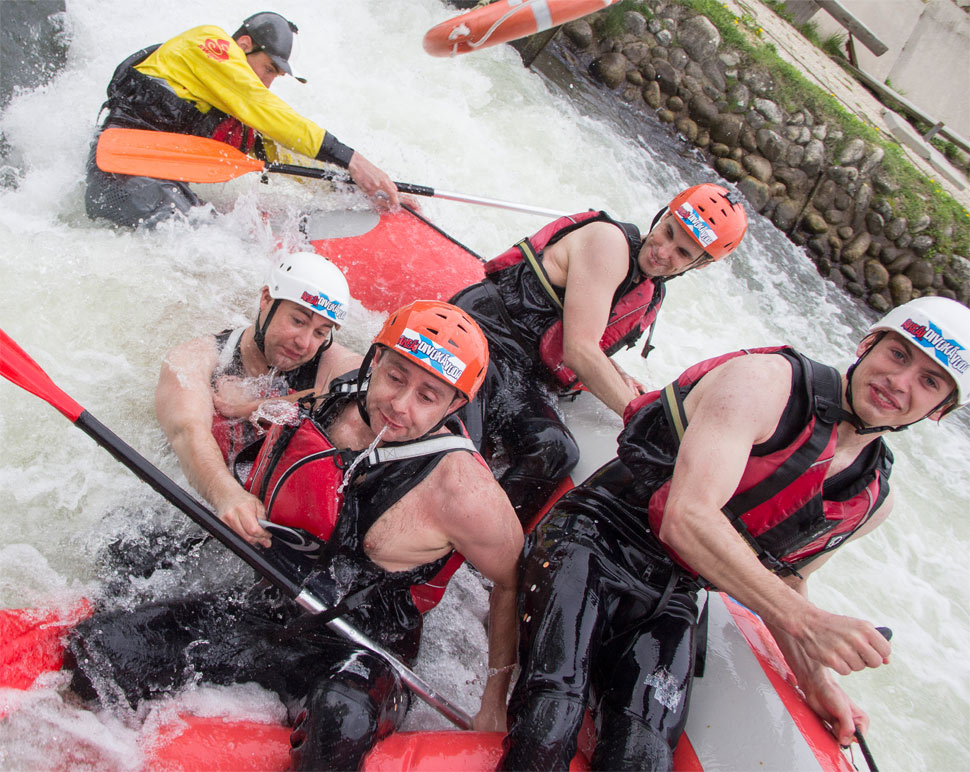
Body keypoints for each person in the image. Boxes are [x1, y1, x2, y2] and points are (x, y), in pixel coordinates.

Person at [499, 297, 970, 771]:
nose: (899, 382)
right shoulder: (766, 384)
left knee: (642, 758)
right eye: (898, 355)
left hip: (673, 595)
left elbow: (787, 579)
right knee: (551, 716)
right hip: (596, 536)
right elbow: (687, 515)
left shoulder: (873, 498)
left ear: (939, 410)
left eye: (929, 382)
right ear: (869, 345)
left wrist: (816, 679)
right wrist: (808, 623)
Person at [66, 300, 524, 771]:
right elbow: (282, 410)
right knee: (99, 652)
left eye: (427, 397)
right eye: (395, 377)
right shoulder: (333, 399)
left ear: (454, 407)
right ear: (374, 361)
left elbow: (509, 583)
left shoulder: (466, 493)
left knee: (341, 720)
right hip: (271, 607)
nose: (399, 406)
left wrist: (494, 699)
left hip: (361, 648)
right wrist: (239, 413)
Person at [450, 183, 748, 524]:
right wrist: (646, 421)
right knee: (464, 449)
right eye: (668, 231)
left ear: (700, 264)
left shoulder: (648, 286)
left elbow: (575, 333)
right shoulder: (608, 244)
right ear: (664, 213)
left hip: (517, 368)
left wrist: (616, 373)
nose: (663, 252)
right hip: (482, 333)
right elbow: (578, 351)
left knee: (555, 452)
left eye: (682, 252)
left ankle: (476, 548)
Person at [85, 11, 399, 227]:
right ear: (244, 45)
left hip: (154, 178)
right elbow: (265, 108)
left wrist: (362, 190)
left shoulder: (232, 110)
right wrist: (354, 160)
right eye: (268, 69)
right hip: (119, 170)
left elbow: (285, 156)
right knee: (210, 243)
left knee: (222, 238)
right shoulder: (208, 44)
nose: (267, 83)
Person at [155, 251, 360, 549]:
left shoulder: (328, 362)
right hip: (191, 498)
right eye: (298, 321)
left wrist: (256, 407)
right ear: (266, 299)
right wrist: (229, 495)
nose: (304, 343)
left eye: (320, 332)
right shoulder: (199, 358)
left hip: (270, 512)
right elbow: (187, 432)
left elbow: (375, 388)